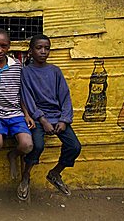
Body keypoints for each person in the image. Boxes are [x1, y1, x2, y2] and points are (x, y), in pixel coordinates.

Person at [20, 34, 81, 200]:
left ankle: (55, 173)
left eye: (47, 48)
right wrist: (42, 120)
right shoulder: (26, 72)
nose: (43, 51)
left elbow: (65, 97)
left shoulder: (55, 71)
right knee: (37, 146)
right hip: (39, 118)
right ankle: (26, 176)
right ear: (31, 51)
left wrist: (64, 119)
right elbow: (27, 99)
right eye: (39, 48)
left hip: (58, 117)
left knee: (74, 146)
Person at [0, 28, 34, 196]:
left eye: (4, 46)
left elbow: (20, 93)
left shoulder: (17, 66)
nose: (0, 50)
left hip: (16, 113)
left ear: (9, 46)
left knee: (27, 145)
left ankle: (13, 155)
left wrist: (26, 114)